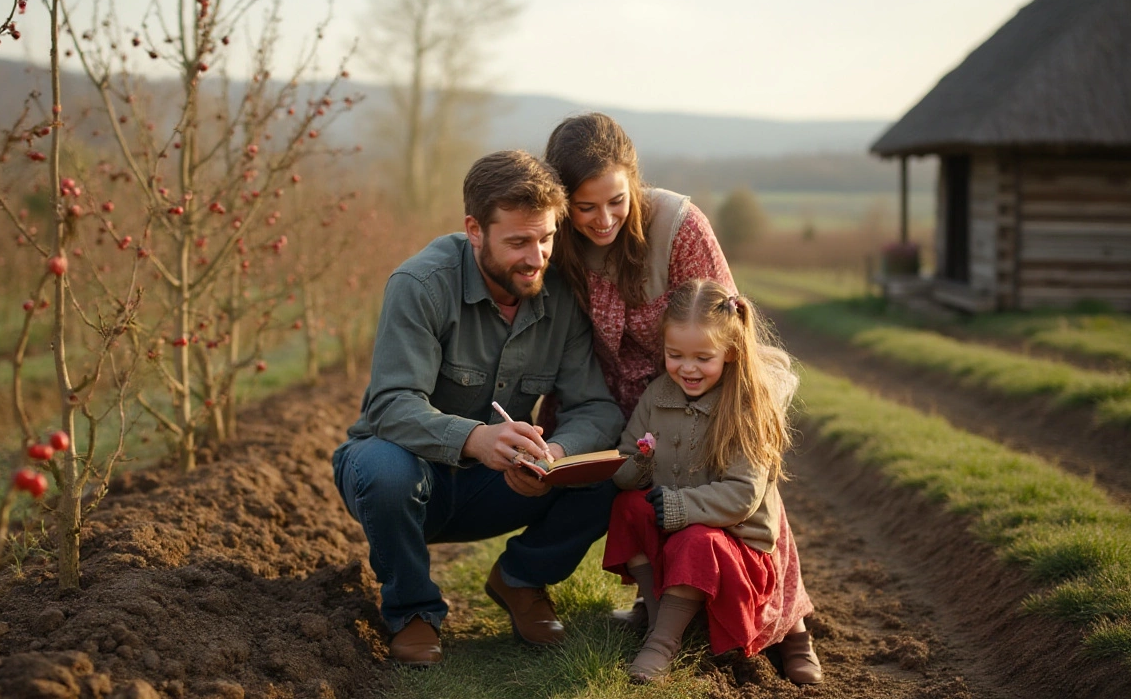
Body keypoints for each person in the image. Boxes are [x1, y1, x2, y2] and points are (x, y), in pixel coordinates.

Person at [544, 112, 821, 684]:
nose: (603, 220)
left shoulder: (678, 226)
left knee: (746, 491)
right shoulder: (560, 243)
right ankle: (658, 610)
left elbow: (723, 321)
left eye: (616, 201)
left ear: (634, 183)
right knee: (642, 505)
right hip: (628, 403)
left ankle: (792, 627)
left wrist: (735, 401)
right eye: (585, 206)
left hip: (712, 381)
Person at [331, 150, 625, 667]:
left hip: (497, 487)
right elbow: (390, 407)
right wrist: (475, 439)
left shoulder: (561, 295)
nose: (536, 257)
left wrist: (551, 454)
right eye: (518, 242)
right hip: (408, 477)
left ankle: (521, 580)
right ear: (474, 229)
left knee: (607, 474)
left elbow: (597, 409)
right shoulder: (420, 285)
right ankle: (413, 611)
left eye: (547, 238)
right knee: (383, 468)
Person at [604, 279, 798, 682]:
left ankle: (661, 646)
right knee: (628, 507)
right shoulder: (657, 395)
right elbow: (625, 463)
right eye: (675, 355)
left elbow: (744, 493)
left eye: (702, 357)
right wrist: (639, 462)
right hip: (677, 532)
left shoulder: (745, 406)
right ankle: (661, 618)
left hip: (736, 547)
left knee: (697, 539)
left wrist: (681, 506)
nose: (687, 368)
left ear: (729, 352)